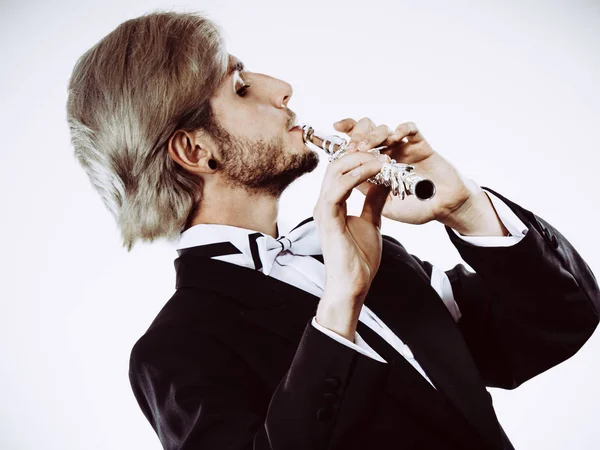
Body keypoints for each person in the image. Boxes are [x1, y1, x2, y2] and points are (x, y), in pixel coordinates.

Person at [66, 10, 600, 450]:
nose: (282, 89)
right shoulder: (175, 349)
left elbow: (563, 318)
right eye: (242, 87)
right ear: (194, 150)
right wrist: (340, 306)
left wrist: (463, 207)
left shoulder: (368, 254)